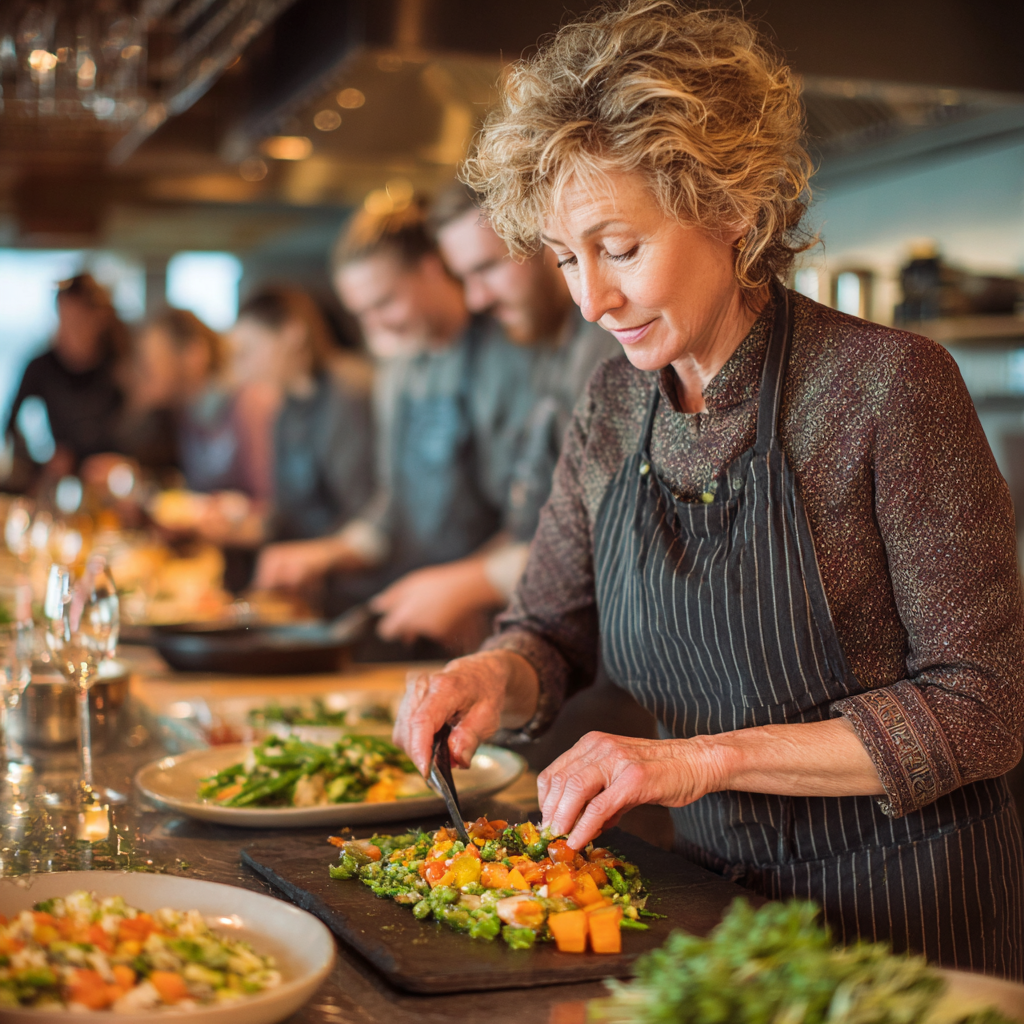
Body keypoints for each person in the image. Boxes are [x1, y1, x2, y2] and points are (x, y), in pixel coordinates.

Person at [393, 0, 1024, 978]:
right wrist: (489, 675)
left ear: (730, 208)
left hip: (908, 913)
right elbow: (550, 632)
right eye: (564, 260)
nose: (591, 300)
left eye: (619, 248)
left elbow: (983, 707)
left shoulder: (886, 387)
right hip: (714, 907)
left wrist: (697, 759)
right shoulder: (612, 405)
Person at [254, 203, 537, 651]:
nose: (375, 326)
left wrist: (467, 588)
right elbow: (392, 507)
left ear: (432, 269)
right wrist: (327, 554)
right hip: (423, 609)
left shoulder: (512, 356)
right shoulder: (398, 371)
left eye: (384, 303)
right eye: (361, 313)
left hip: (505, 616)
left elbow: (534, 519)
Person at [366, 185, 622, 644]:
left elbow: (612, 535)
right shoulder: (548, 347)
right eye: (464, 277)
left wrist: (473, 584)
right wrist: (464, 584)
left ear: (549, 241)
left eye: (488, 267)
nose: (476, 299)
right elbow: (536, 520)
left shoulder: (611, 345)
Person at [224, 286, 375, 545]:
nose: (241, 371)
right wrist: (238, 529)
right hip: (308, 555)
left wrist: (312, 558)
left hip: (344, 560)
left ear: (292, 333)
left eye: (248, 351)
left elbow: (363, 512)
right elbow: (288, 509)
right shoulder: (287, 408)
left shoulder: (349, 392)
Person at [124, 308, 274, 503]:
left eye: (152, 357)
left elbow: (270, 501)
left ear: (194, 354)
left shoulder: (247, 404)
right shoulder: (183, 414)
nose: (144, 366)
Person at [5, 274, 128, 486]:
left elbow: (138, 434)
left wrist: (121, 465)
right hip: (50, 483)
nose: (67, 330)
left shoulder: (120, 369)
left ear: (100, 320)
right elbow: (13, 424)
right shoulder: (40, 368)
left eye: (77, 321)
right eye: (63, 319)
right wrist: (42, 462)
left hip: (109, 487)